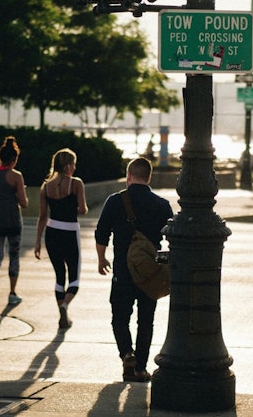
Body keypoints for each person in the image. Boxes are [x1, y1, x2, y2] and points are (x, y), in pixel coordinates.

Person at [94, 157, 174, 382]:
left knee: (119, 317)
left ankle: (126, 354)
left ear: (129, 176)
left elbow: (101, 233)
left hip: (122, 270)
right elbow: (172, 238)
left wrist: (101, 259)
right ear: (149, 177)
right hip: (150, 273)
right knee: (145, 321)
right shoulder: (161, 204)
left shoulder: (115, 201)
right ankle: (140, 369)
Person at [35, 148, 88, 330]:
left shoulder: (46, 186)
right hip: (70, 232)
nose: (74, 167)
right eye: (73, 164)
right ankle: (65, 306)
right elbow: (82, 209)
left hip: (51, 232)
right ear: (67, 166)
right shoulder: (76, 183)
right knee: (74, 277)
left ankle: (62, 313)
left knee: (59, 276)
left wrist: (37, 242)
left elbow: (42, 216)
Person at [0, 135, 29, 305]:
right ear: (14, 159)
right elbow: (24, 203)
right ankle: (12, 293)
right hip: (12, 221)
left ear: (0, 157)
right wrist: (17, 192)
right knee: (14, 256)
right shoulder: (16, 176)